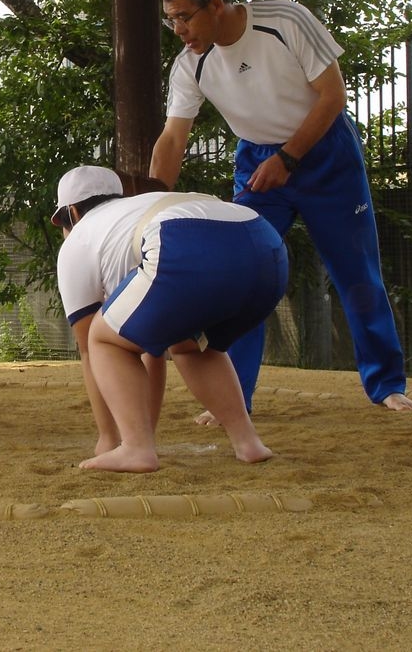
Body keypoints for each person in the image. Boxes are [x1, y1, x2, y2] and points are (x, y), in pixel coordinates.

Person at [149, 0, 412, 414]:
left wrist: (289, 157)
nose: (178, 29)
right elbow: (173, 138)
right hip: (257, 161)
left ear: (216, 5)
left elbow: (333, 95)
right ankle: (232, 398)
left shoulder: (286, 20)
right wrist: (149, 203)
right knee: (242, 275)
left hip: (326, 153)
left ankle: (386, 384)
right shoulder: (189, 65)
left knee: (357, 274)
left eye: (184, 16)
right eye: (169, 18)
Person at [52, 166, 284, 471]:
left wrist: (108, 438)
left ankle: (135, 447)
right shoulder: (136, 211)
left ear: (71, 213)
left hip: (182, 242)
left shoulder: (79, 239)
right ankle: (248, 442)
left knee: (101, 339)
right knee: (188, 345)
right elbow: (152, 346)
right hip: (266, 246)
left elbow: (88, 350)